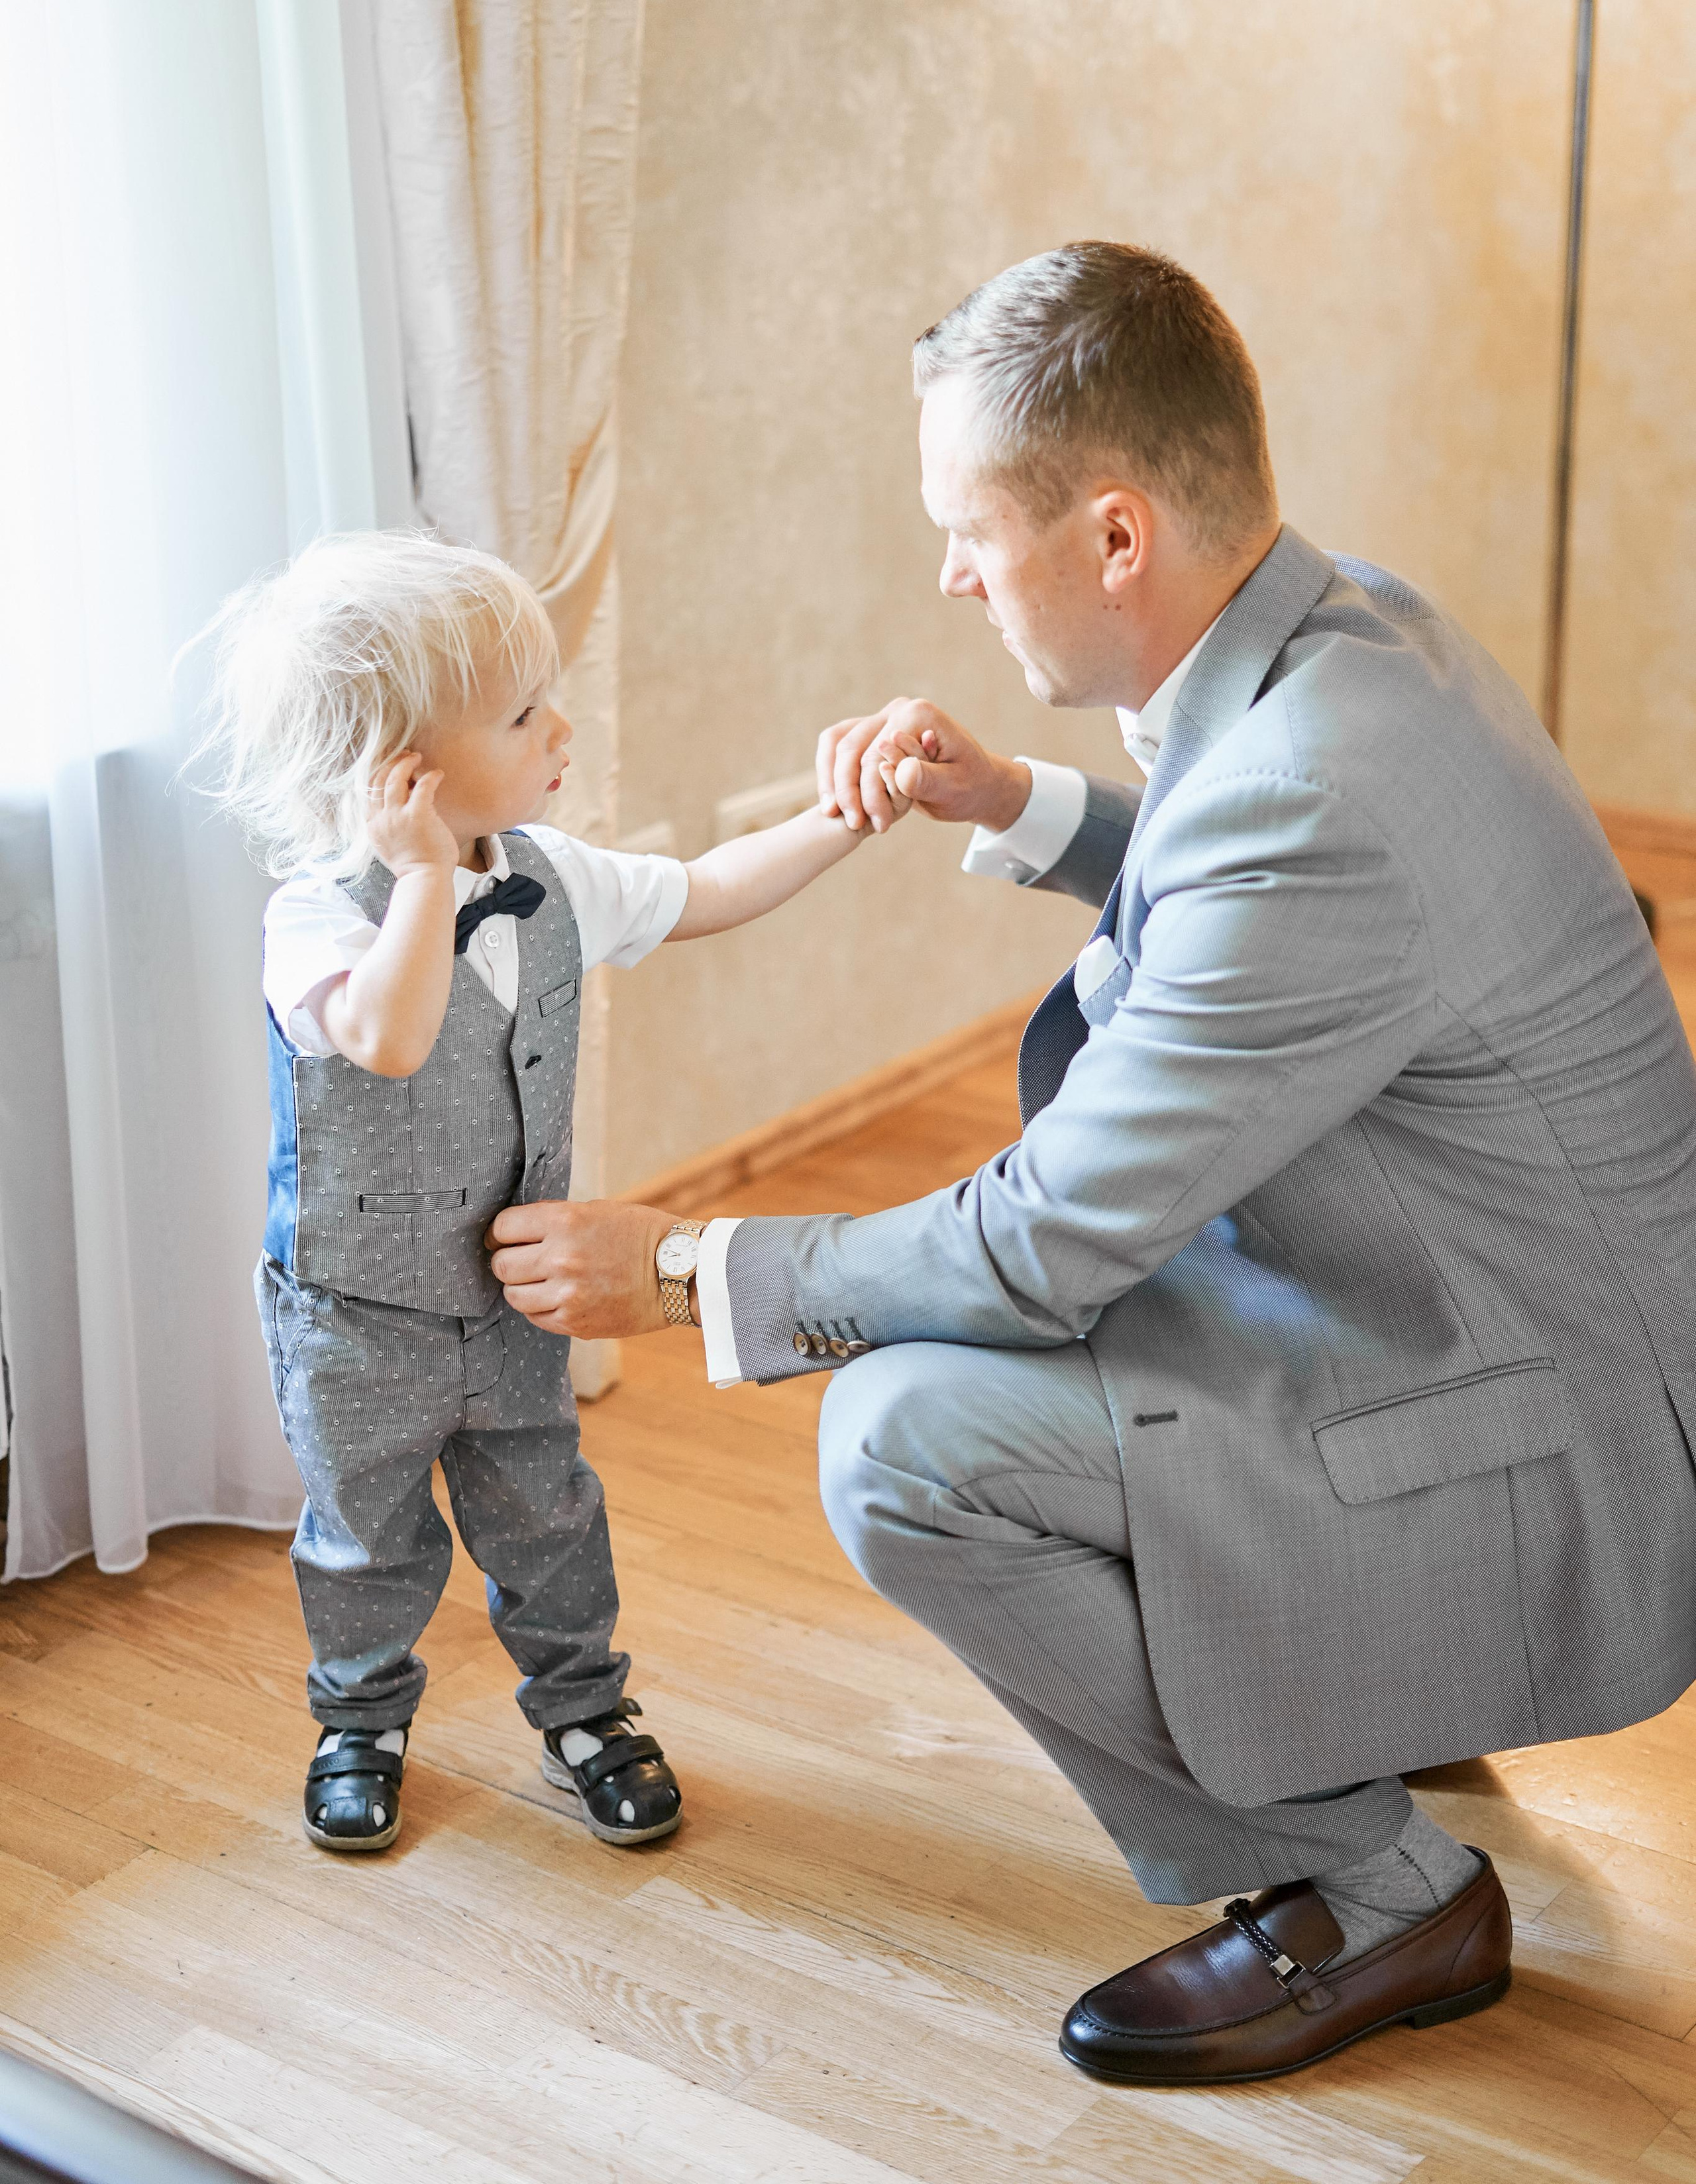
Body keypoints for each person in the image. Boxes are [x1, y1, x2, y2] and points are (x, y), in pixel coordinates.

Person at [482, 242, 1696, 2085]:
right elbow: (1242, 873)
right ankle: (1372, 1704)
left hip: (1556, 1459)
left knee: (901, 1445)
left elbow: (1044, 1244)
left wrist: (683, 1267)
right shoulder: (1355, 629)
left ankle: (1371, 1886)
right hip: (1519, 1328)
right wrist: (1017, 800)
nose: (952, 577)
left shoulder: (1314, 800)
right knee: (1024, 1349)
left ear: (1116, 538)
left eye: (973, 531)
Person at [201, 531, 900, 1855]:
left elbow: (704, 891)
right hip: (358, 1316)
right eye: (521, 714)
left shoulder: (550, 875)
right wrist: (419, 877)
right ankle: (360, 1719)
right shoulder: (320, 918)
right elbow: (392, 1037)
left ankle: (588, 1708)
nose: (557, 730)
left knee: (548, 1511)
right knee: (368, 1533)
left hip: (509, 1296)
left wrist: (844, 817)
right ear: (397, 767)